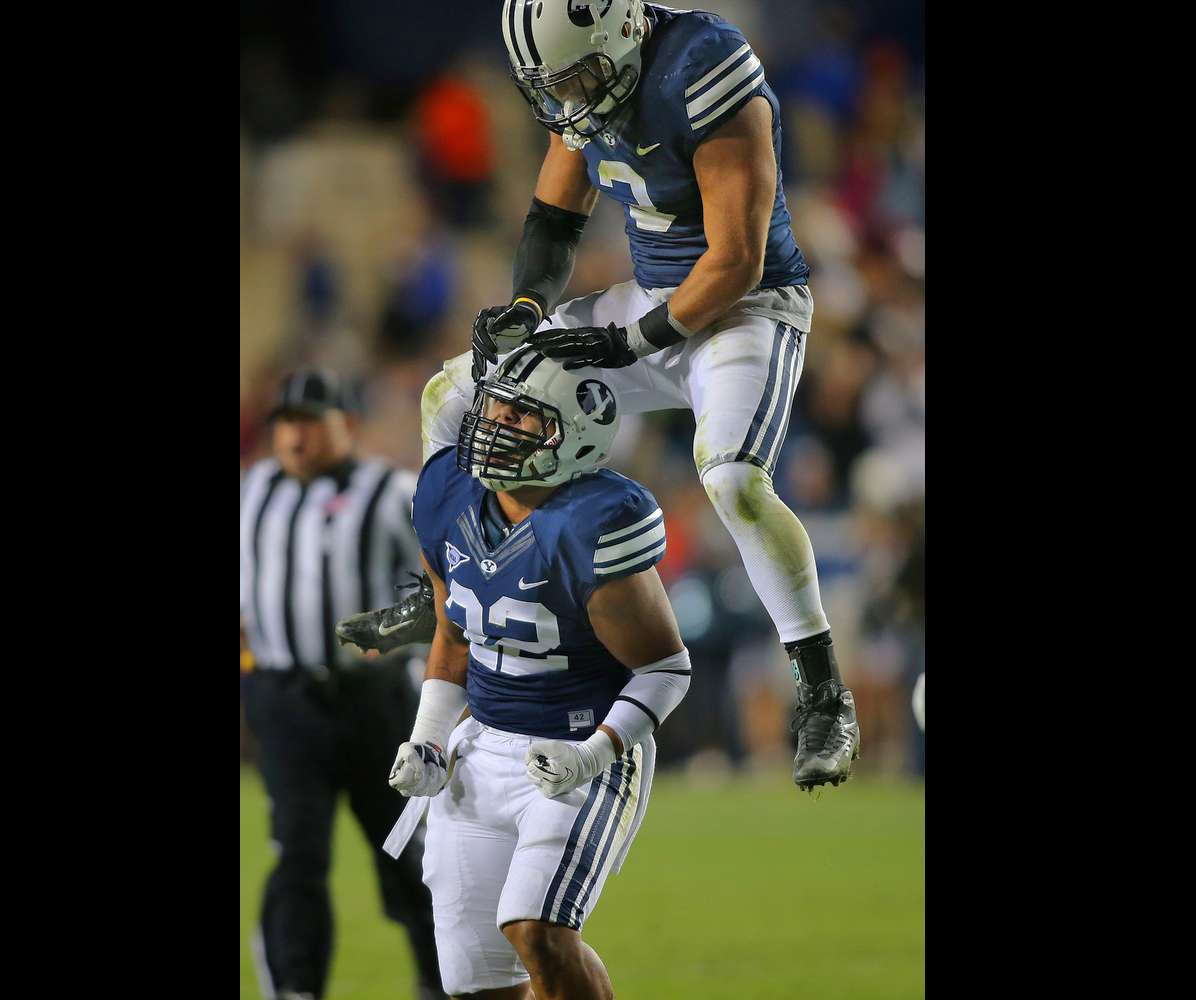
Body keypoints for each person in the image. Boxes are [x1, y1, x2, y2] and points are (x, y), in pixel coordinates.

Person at [391, 0, 858, 790]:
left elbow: (737, 258)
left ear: (622, 35)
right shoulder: (588, 81)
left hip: (746, 309)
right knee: (456, 394)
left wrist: (625, 342)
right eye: (555, 85)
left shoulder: (700, 65)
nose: (569, 100)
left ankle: (820, 687)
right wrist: (527, 311)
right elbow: (552, 218)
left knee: (733, 479)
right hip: (651, 298)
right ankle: (449, 580)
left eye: (577, 78)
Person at [365, 348, 691, 1000]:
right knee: (476, 983)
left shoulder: (592, 522)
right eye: (497, 407)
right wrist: (429, 739)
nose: (496, 423)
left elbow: (664, 668)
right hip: (481, 748)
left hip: (579, 747)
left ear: (574, 436)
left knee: (538, 931)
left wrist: (594, 754)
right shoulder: (447, 495)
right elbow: (452, 637)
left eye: (523, 416)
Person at [240, 368, 447, 1000]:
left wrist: (393, 630)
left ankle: (445, 984)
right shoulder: (252, 491)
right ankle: (296, 989)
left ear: (347, 426)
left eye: (310, 424)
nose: (295, 439)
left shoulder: (391, 492)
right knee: (297, 857)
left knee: (410, 859)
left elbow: (447, 588)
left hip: (376, 703)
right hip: (285, 700)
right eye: (286, 425)